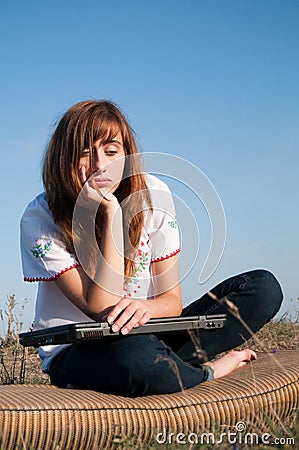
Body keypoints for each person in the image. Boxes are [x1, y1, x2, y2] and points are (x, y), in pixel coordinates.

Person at [20, 100, 283, 397]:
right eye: (84, 153)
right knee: (139, 357)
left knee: (263, 288)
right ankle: (207, 371)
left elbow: (172, 302)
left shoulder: (153, 195)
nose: (99, 165)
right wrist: (111, 215)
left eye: (111, 151)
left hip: (148, 333)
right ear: (62, 158)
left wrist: (145, 308)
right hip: (79, 349)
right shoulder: (41, 217)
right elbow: (101, 308)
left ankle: (164, 368)